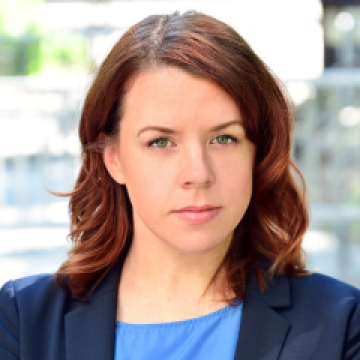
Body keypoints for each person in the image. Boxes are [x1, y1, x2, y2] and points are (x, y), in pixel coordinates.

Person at [0, 11, 359, 360]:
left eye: (224, 139)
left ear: (258, 150)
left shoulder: (340, 325)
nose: (198, 174)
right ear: (114, 158)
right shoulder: (23, 321)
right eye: (160, 142)